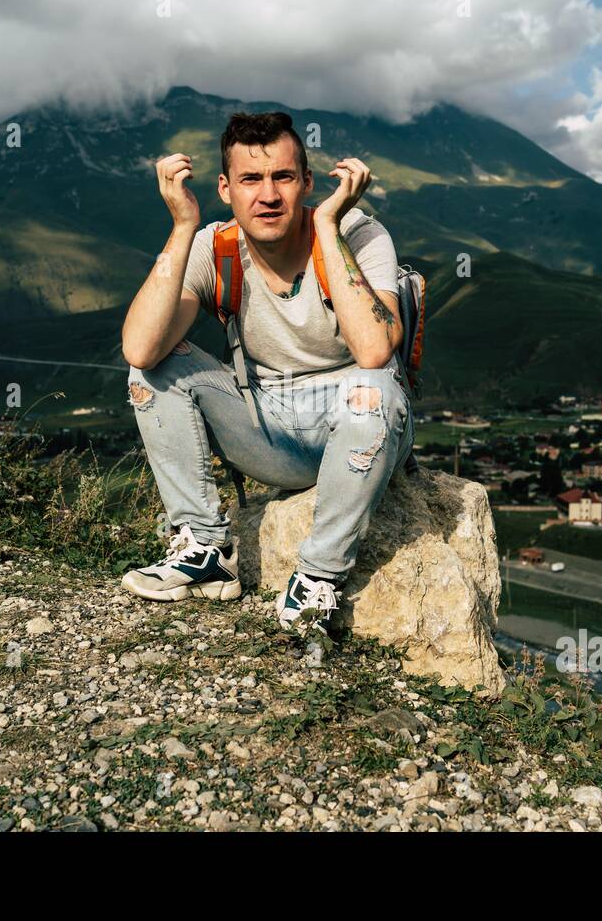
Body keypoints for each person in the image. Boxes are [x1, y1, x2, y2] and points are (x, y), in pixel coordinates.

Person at [119, 110, 413, 633]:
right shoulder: (217, 245)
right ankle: (205, 549)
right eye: (251, 179)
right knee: (150, 372)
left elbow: (373, 352)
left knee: (370, 388)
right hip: (266, 426)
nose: (269, 195)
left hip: (357, 425)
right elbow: (140, 348)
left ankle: (319, 576)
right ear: (226, 189)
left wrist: (327, 227)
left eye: (282, 177)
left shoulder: (360, 234)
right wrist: (182, 225)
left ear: (306, 183)